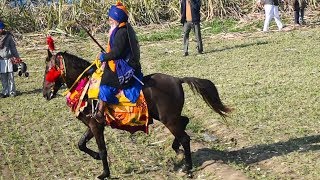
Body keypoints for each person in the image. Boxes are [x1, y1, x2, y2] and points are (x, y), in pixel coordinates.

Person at [93, 2, 142, 124]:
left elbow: (117, 53)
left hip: (126, 66)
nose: (109, 21)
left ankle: (100, 113)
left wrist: (104, 56)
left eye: (111, 19)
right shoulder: (123, 28)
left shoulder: (121, 32)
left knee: (105, 81)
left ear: (117, 18)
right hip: (124, 61)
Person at [0, 20, 20, 98]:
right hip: (1, 60)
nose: (1, 30)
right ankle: (5, 92)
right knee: (3, 77)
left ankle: (12, 92)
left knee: (11, 76)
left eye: (1, 28)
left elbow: (13, 48)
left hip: (9, 59)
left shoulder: (8, 37)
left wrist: (17, 57)